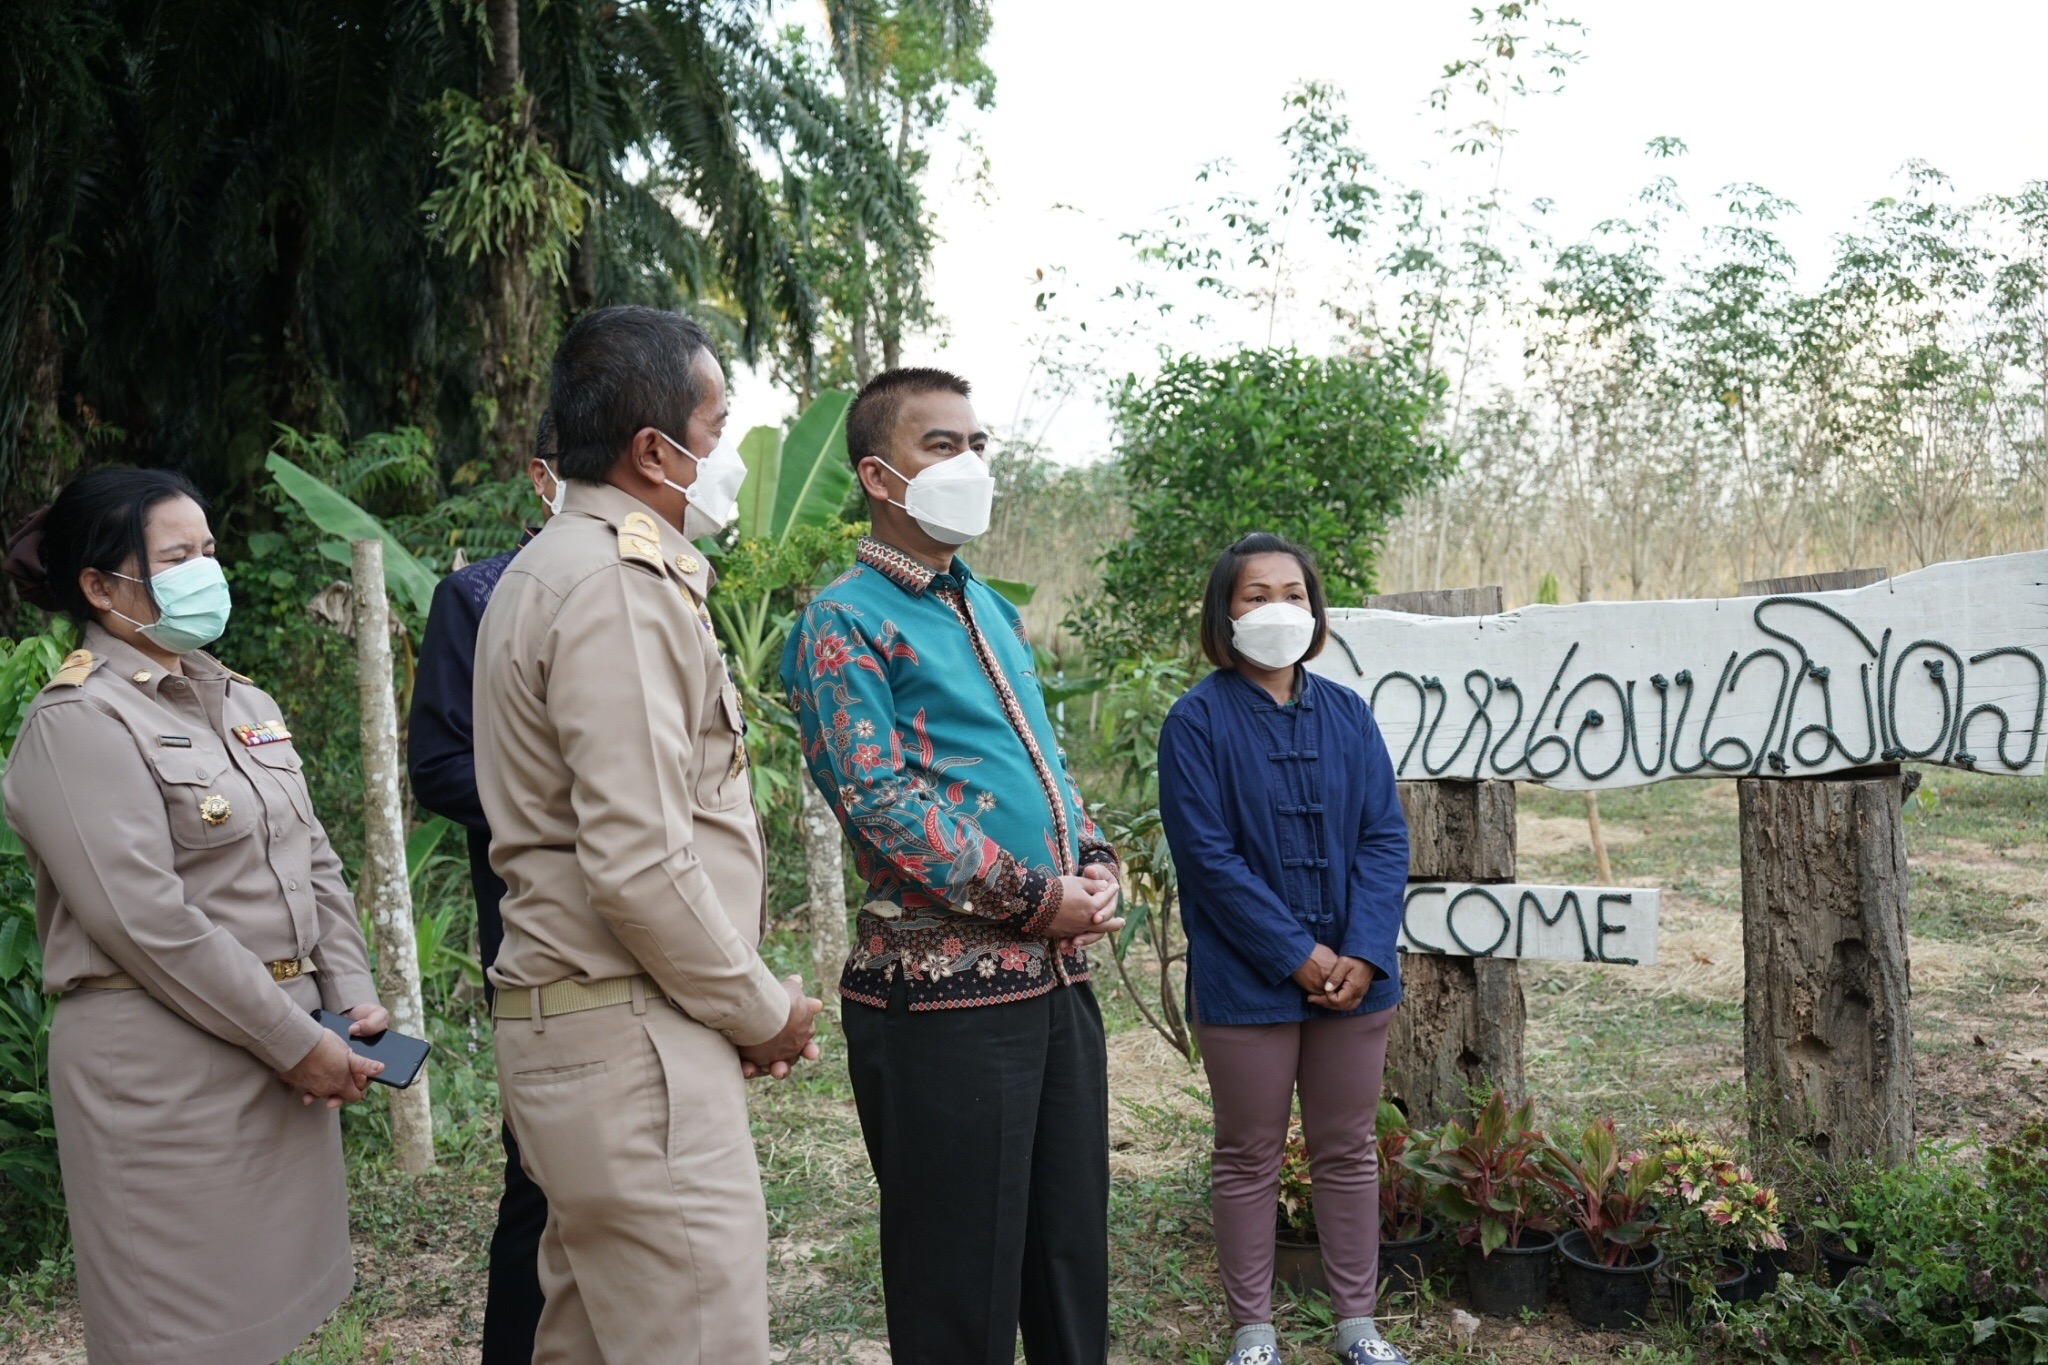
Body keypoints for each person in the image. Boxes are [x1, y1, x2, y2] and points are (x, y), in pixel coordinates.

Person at [473, 304, 822, 1364]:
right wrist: (762, 1011)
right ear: (653, 451)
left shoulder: (559, 567)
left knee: (590, 1340)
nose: (726, 454)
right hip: (633, 1041)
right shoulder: (615, 587)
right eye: (716, 428)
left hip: (593, 1029)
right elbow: (639, 865)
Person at [0, 468, 388, 1365]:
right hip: (164, 1073)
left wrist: (349, 994)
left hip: (283, 1045)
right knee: (177, 1333)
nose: (206, 571)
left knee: (271, 1318)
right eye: (177, 557)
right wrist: (294, 1039)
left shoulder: (242, 699)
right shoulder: (78, 720)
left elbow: (313, 857)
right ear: (101, 587)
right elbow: (147, 923)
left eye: (208, 550)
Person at [780, 366, 1124, 1365]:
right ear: (878, 476)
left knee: (1068, 1263)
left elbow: (1045, 764)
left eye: (977, 445)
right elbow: (878, 800)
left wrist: (1092, 859)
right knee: (956, 1289)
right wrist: (1036, 898)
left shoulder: (991, 611)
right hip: (942, 1005)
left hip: (1056, 982)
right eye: (941, 445)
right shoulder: (843, 621)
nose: (969, 462)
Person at [1155, 533, 1412, 1365]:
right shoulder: (1196, 721)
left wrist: (1362, 951)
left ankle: (1358, 1325)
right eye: (1256, 595)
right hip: (1245, 981)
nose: (1278, 608)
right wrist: (1298, 954)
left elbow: (1383, 837)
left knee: (1347, 1151)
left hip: (1356, 980)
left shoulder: (1349, 714)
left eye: (1293, 594)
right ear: (1224, 614)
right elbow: (1208, 858)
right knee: (1247, 1154)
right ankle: (1254, 1332)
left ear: (1316, 608)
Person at [407, 412, 562, 1363]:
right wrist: (585, 812)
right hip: (539, 932)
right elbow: (440, 767)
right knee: (540, 1181)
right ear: (545, 476)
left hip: (667, 933)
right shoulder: (479, 595)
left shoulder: (668, 587)